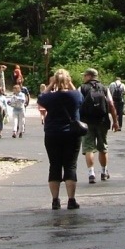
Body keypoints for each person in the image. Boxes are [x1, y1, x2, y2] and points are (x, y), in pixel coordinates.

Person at [38, 67, 84, 210]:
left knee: (54, 165)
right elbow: (80, 97)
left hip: (52, 133)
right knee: (70, 166)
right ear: (68, 80)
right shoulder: (74, 96)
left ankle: (55, 200)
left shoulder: (50, 97)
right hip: (71, 134)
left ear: (55, 81)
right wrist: (69, 84)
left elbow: (40, 98)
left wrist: (51, 85)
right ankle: (71, 200)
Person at [79, 68, 114, 183]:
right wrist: (116, 121)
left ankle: (91, 173)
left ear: (89, 76)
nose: (84, 77)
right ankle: (104, 172)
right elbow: (111, 104)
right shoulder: (104, 88)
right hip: (102, 121)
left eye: (85, 75)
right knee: (103, 147)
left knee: (88, 148)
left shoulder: (82, 88)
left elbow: (77, 104)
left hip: (86, 122)